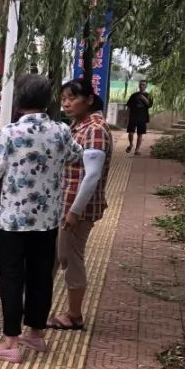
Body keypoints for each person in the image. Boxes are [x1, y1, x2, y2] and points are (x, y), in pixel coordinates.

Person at [0, 75, 83, 363]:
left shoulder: (10, 132)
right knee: (40, 277)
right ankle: (35, 334)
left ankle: (10, 340)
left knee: (11, 276)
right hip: (47, 219)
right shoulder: (60, 130)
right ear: (47, 101)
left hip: (13, 220)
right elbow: (77, 155)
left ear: (20, 100)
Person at [49, 78, 113, 330]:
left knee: (70, 259)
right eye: (63, 98)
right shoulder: (78, 125)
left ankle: (74, 316)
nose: (66, 103)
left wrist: (74, 212)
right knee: (55, 257)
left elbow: (93, 174)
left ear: (88, 99)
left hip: (76, 210)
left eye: (72, 98)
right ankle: (37, 308)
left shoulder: (95, 128)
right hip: (65, 205)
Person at [125, 79, 152, 155]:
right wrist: (126, 117)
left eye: (143, 85)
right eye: (140, 85)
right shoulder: (134, 95)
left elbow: (149, 105)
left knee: (140, 134)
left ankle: (137, 150)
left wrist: (143, 98)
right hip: (133, 116)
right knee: (130, 133)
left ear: (146, 86)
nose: (141, 86)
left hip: (143, 117)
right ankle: (131, 144)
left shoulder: (149, 95)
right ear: (139, 85)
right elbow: (128, 107)